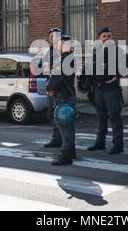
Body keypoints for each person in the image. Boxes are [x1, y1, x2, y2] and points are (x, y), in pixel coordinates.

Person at [86, 27, 128, 155]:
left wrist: (117, 76)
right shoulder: (97, 51)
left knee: (115, 117)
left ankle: (118, 145)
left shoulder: (116, 50)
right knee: (101, 118)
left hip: (111, 89)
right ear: (100, 38)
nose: (107, 38)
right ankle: (100, 143)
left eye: (109, 36)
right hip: (98, 89)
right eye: (104, 36)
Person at [46, 34, 76, 165]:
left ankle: (66, 155)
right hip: (67, 94)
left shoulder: (64, 59)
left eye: (62, 43)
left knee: (63, 125)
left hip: (63, 96)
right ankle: (71, 152)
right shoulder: (68, 58)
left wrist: (49, 87)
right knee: (68, 124)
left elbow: (56, 77)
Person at [41, 27, 63, 148]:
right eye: (50, 37)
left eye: (53, 36)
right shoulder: (49, 50)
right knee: (55, 113)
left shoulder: (64, 50)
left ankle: (65, 141)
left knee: (62, 114)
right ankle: (56, 139)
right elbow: (41, 64)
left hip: (60, 87)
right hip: (51, 85)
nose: (51, 39)